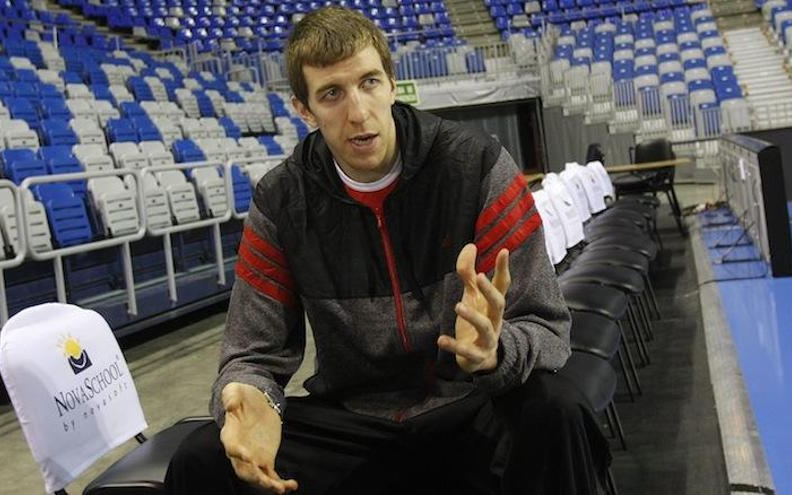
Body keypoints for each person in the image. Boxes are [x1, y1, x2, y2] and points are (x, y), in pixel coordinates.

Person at [166, 6, 610, 494]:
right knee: (203, 459)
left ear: (392, 82)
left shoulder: (477, 166)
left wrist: (494, 353)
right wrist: (249, 395)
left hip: (469, 404)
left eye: (369, 83)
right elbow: (251, 353)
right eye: (332, 94)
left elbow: (548, 328)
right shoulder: (281, 200)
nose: (357, 112)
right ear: (303, 110)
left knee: (558, 410)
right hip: (357, 421)